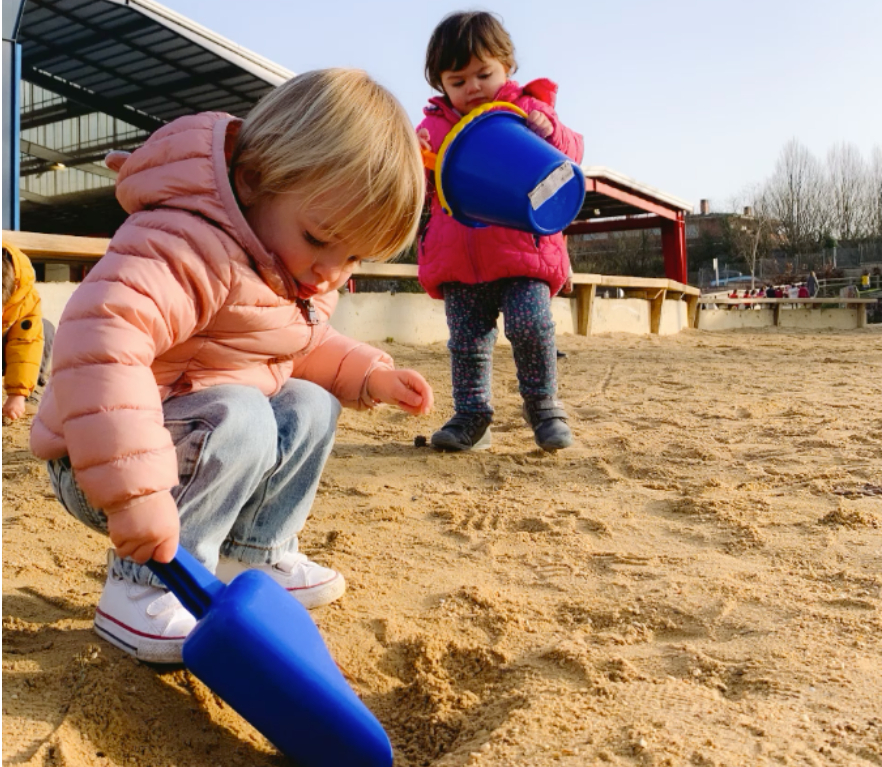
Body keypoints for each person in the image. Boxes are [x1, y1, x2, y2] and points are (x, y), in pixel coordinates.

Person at [29, 69, 434, 664]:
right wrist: (133, 492)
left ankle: (254, 552)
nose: (330, 271)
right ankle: (139, 589)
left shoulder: (287, 266)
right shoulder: (185, 244)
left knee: (310, 402)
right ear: (253, 182)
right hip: (102, 463)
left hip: (196, 450)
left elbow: (294, 343)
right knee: (243, 413)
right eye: (320, 238)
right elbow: (103, 340)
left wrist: (366, 373)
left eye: (352, 256)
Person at [415, 11, 583, 452]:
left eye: (483, 74)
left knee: (531, 327)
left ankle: (544, 407)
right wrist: (416, 157)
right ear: (441, 85)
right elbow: (415, 177)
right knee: (466, 342)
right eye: (457, 80)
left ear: (506, 66)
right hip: (459, 262)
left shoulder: (527, 110)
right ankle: (472, 416)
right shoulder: (433, 129)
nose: (472, 87)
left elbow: (569, 159)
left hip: (522, 254)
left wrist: (552, 133)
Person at [2, 241, 54, 420]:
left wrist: (17, 395)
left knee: (44, 328)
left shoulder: (24, 295)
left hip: (7, 347)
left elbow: (26, 341)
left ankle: (30, 396)